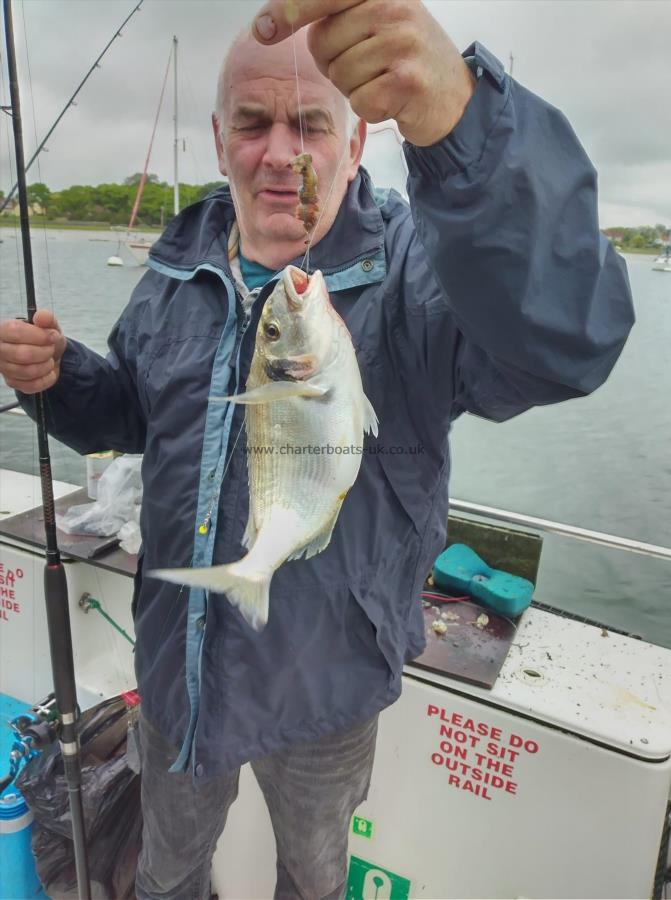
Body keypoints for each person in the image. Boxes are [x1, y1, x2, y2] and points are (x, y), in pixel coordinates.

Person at [0, 1, 634, 898]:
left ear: (358, 136)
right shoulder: (175, 267)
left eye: (309, 122)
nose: (277, 152)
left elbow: (568, 342)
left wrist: (464, 127)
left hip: (325, 679)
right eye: (253, 124)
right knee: (167, 867)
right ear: (219, 139)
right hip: (177, 658)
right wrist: (60, 376)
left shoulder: (421, 272)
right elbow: (134, 417)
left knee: (313, 873)